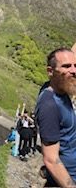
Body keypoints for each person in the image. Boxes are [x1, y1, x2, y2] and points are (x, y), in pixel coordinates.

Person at [36, 47, 76, 187]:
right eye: (66, 66)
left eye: (75, 65)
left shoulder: (60, 87)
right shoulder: (49, 105)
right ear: (50, 71)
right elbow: (51, 159)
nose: (73, 70)